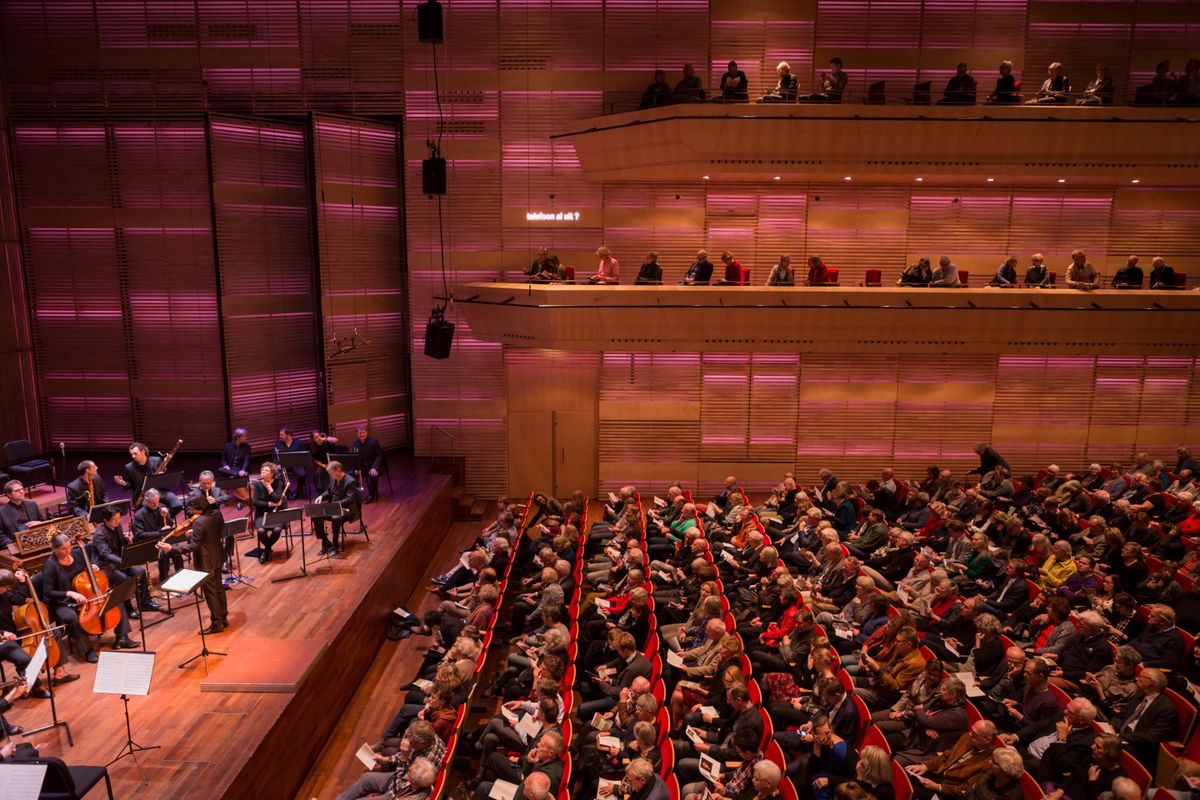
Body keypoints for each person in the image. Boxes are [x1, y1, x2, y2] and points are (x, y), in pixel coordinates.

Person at [41, 532, 139, 661]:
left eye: (69, 547)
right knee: (71, 617)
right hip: (62, 601)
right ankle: (87, 650)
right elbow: (48, 592)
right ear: (54, 549)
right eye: (63, 549)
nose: (68, 551)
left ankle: (122, 637)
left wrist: (93, 567)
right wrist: (69, 593)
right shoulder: (50, 566)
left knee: (113, 601)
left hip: (86, 594)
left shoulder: (76, 554)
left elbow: (87, 567)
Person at [158, 495, 229, 634]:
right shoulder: (217, 514)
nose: (191, 511)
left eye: (192, 509)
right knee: (219, 588)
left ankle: (217, 623)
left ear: (199, 509)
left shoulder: (199, 522)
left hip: (206, 560)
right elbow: (212, 532)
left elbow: (193, 547)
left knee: (210, 593)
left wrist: (171, 548)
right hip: (218, 555)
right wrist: (197, 533)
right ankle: (224, 618)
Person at [90, 507, 164, 617]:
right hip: (105, 565)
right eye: (114, 519)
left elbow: (120, 545)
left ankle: (145, 603)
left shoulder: (118, 527)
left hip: (119, 561)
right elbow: (106, 554)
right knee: (124, 580)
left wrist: (127, 540)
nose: (118, 521)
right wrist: (124, 561)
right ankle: (128, 609)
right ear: (105, 520)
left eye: (119, 518)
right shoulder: (99, 535)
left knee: (140, 572)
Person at [114, 442, 184, 516]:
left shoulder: (156, 460)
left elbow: (164, 480)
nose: (133, 456)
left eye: (135, 453)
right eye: (131, 454)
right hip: (144, 496)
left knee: (178, 505)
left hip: (160, 491)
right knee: (152, 511)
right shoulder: (129, 467)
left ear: (143, 451)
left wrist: (162, 477)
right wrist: (123, 483)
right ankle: (161, 522)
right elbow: (131, 485)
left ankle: (166, 520)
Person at [313, 460, 362, 557]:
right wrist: (322, 496)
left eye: (331, 473)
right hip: (333, 506)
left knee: (336, 518)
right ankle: (326, 542)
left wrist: (335, 504)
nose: (330, 476)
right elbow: (329, 491)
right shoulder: (333, 478)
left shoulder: (350, 481)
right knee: (315, 515)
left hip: (346, 508)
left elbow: (350, 499)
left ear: (338, 470)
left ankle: (336, 545)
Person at [251, 462, 287, 564]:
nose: (263, 472)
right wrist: (268, 504)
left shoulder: (278, 483)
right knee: (261, 531)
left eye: (266, 471)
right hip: (261, 514)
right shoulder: (258, 484)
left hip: (275, 514)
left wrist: (268, 487)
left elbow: (277, 499)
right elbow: (255, 502)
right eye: (262, 470)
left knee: (277, 529)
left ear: (272, 474)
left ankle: (266, 550)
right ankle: (268, 550)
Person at [0, 480, 44, 547]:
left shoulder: (32, 504)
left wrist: (40, 523)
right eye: (17, 490)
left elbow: (44, 522)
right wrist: (14, 545)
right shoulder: (2, 511)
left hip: (37, 541)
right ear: (9, 494)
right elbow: (0, 535)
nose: (21, 491)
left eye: (22, 489)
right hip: (15, 545)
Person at [218, 427, 251, 507]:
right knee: (221, 469)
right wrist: (225, 465)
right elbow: (223, 459)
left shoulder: (247, 447)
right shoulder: (228, 446)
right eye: (244, 436)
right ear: (237, 437)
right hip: (229, 469)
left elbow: (246, 460)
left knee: (239, 474)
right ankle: (224, 498)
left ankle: (240, 496)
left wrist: (243, 470)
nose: (246, 438)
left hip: (239, 469)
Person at [352, 425, 386, 503]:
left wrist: (374, 468)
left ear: (366, 432)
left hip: (373, 465)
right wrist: (357, 468)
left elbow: (379, 456)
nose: (362, 435)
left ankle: (372, 496)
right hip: (363, 467)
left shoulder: (374, 441)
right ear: (357, 434)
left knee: (373, 476)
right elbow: (356, 458)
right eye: (360, 433)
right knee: (350, 473)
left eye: (363, 433)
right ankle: (355, 495)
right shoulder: (355, 443)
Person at [274, 426, 309, 499]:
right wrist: (277, 464)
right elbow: (274, 456)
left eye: (282, 435)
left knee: (302, 474)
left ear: (288, 435)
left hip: (297, 465)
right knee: (280, 476)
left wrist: (300, 463)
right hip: (284, 465)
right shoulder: (278, 443)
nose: (280, 436)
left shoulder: (298, 443)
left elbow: (304, 455)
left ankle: (297, 492)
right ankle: (288, 493)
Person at [307, 429, 340, 495]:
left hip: (331, 463)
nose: (319, 438)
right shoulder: (312, 447)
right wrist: (323, 465)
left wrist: (326, 438)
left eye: (319, 436)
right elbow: (315, 460)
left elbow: (336, 440)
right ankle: (322, 491)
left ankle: (334, 489)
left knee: (334, 471)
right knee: (319, 472)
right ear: (313, 439)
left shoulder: (326, 443)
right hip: (321, 465)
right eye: (316, 437)